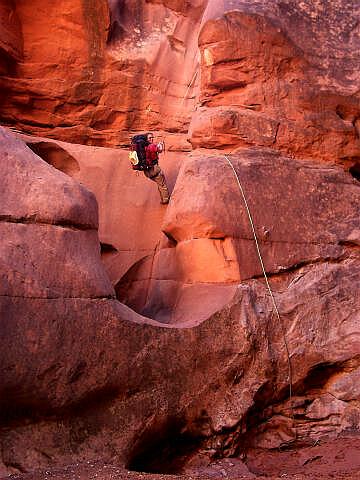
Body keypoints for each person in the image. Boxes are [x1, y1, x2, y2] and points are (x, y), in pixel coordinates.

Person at [143, 132, 170, 204]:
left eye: (152, 137)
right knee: (162, 184)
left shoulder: (143, 147)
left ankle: (163, 198)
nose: (151, 139)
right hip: (154, 169)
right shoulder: (152, 146)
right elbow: (160, 150)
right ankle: (166, 200)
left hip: (146, 171)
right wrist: (160, 145)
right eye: (150, 138)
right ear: (146, 139)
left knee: (159, 183)